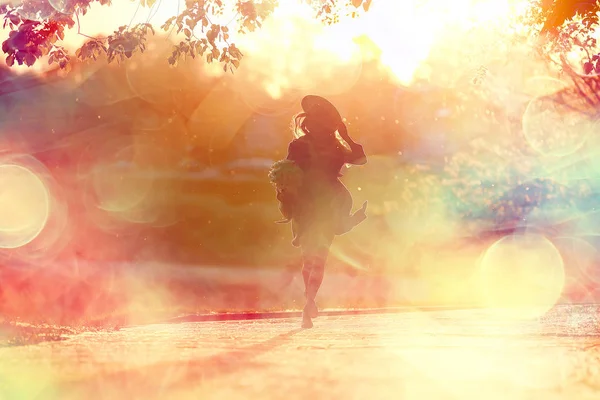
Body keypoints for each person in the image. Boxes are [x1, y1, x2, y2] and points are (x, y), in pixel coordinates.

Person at [269, 95, 368, 328]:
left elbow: (360, 159)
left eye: (321, 121)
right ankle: (309, 300)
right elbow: (287, 173)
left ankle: (309, 301)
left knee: (314, 257)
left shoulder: (335, 145)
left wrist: (345, 135)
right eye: (313, 120)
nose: (316, 125)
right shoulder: (300, 145)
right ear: (309, 123)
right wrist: (286, 193)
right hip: (312, 204)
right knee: (314, 257)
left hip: (325, 204)